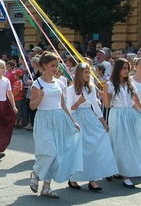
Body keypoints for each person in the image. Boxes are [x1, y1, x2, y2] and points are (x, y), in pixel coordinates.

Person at [28, 51, 82, 198]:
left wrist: (72, 121)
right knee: (48, 152)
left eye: (56, 65)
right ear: (44, 65)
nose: (55, 68)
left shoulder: (60, 82)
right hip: (44, 119)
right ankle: (36, 172)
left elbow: (63, 104)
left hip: (59, 118)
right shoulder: (37, 83)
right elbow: (32, 106)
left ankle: (46, 187)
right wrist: (39, 97)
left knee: (57, 155)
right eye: (52, 65)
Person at [103, 58, 141, 189]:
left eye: (127, 68)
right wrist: (105, 90)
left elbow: (137, 102)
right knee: (118, 143)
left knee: (129, 143)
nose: (126, 71)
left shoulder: (130, 84)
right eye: (124, 68)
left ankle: (122, 171)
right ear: (118, 70)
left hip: (129, 114)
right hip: (117, 114)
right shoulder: (111, 84)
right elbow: (107, 104)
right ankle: (123, 174)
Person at [65, 62, 118, 191]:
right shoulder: (71, 89)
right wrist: (78, 102)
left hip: (90, 117)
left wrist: (103, 122)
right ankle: (73, 178)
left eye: (89, 72)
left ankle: (92, 179)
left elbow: (95, 105)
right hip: (77, 118)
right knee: (80, 150)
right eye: (86, 72)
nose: (88, 75)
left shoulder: (91, 87)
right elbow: (69, 109)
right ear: (79, 74)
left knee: (95, 146)